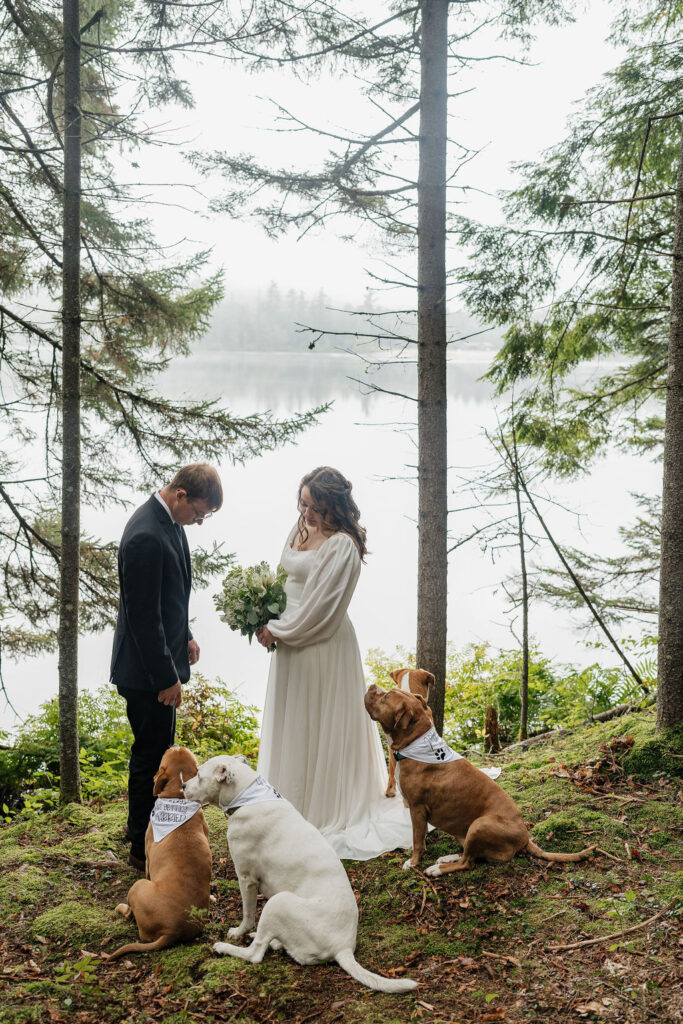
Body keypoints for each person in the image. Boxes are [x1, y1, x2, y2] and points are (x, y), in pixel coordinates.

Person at [255, 466, 412, 860]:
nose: (305, 513)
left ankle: (321, 810)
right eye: (303, 503)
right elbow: (282, 580)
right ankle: (286, 806)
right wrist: (262, 615)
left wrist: (279, 629)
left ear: (333, 506)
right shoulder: (301, 529)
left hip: (320, 644)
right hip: (289, 641)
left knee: (318, 723)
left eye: (314, 506)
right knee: (294, 723)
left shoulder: (343, 546)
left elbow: (321, 610)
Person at [110, 463, 223, 870]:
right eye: (199, 512)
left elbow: (168, 596)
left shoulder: (170, 523)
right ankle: (141, 849)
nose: (198, 521)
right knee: (150, 758)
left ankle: (141, 831)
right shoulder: (144, 535)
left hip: (160, 659)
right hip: (145, 673)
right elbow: (142, 617)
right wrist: (166, 678)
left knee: (156, 751)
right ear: (180, 496)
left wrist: (186, 635)